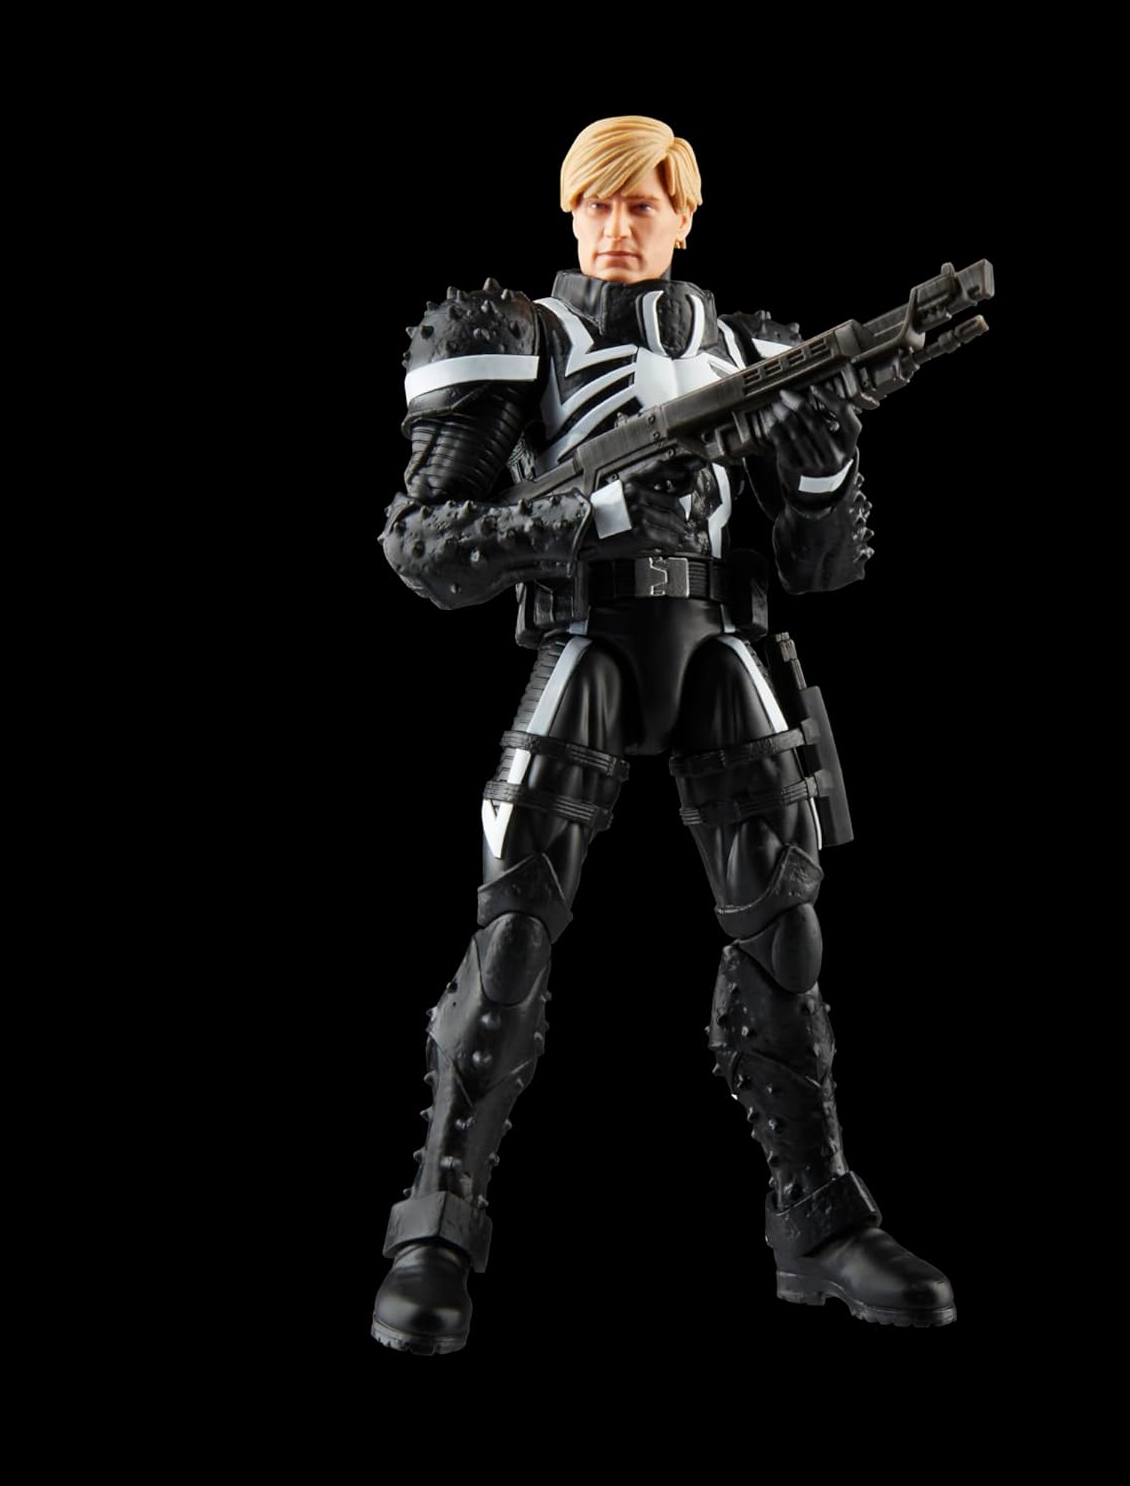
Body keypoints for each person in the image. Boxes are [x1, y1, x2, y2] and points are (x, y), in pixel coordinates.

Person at [372, 115, 955, 1354]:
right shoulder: (516, 337)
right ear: (568, 211)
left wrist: (819, 466)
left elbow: (818, 566)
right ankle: (436, 1228)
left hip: (715, 643)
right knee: (513, 935)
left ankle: (818, 1220)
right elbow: (425, 547)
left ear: (685, 215)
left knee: (784, 931)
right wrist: (590, 511)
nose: (617, 228)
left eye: (642, 204)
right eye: (596, 204)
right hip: (585, 641)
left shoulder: (751, 352)